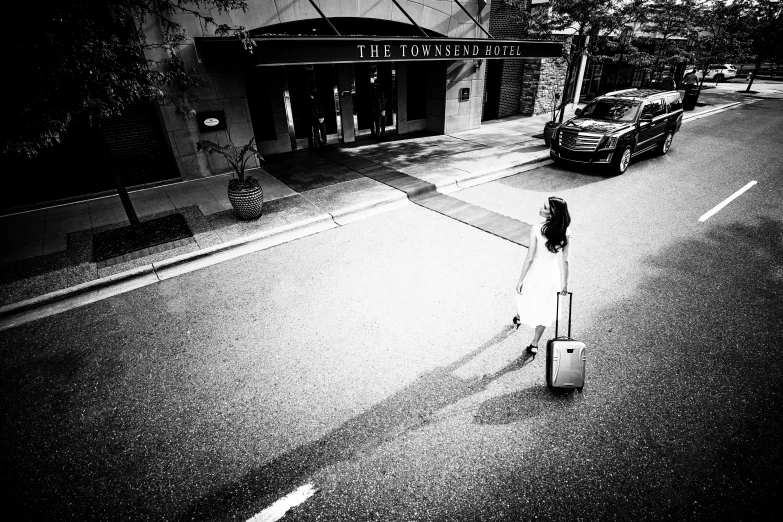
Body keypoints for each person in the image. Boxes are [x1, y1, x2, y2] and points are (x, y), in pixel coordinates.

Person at [513, 197, 571, 355]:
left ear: (552, 214)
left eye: (544, 207)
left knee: (524, 295)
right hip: (552, 273)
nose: (540, 207)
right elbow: (565, 260)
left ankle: (519, 317)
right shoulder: (565, 231)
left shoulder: (536, 229)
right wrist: (565, 284)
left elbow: (530, 257)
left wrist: (520, 279)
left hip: (536, 271)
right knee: (546, 308)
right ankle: (534, 344)